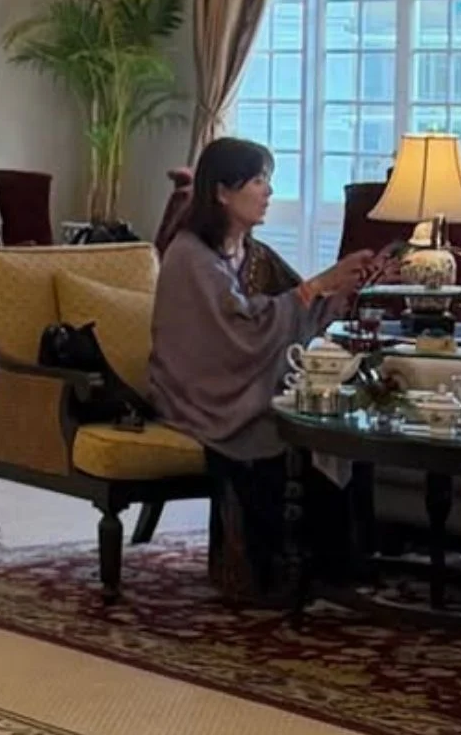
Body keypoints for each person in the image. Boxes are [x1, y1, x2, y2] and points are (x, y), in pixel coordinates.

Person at [149, 137, 376, 603]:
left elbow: (297, 303)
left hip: (247, 383)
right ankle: (273, 573)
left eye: (268, 181)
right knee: (280, 433)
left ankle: (336, 567)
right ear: (222, 192)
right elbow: (242, 329)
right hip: (201, 393)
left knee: (337, 427)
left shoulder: (254, 253)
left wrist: (344, 289)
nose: (269, 191)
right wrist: (320, 285)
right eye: (258, 181)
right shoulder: (189, 255)